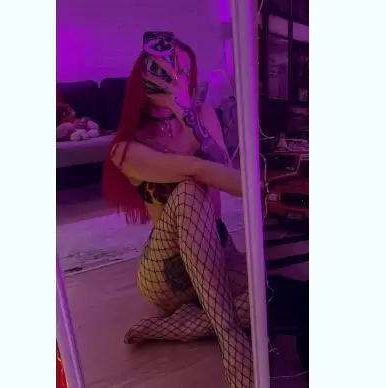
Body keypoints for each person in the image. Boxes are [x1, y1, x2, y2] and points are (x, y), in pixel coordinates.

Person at [103, 38, 309, 387]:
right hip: (168, 270)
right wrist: (267, 191)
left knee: (280, 292)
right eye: (164, 67)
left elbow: (222, 167)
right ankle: (229, 336)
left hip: (218, 250)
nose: (173, 77)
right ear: (144, 73)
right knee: (188, 190)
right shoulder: (125, 147)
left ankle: (186, 325)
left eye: (182, 71)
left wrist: (186, 115)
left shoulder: (201, 115)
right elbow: (199, 171)